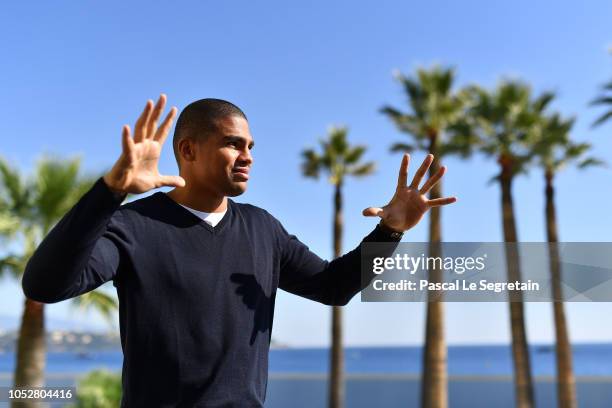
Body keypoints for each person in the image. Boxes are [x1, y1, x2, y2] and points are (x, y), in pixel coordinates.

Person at [22, 94, 457, 407]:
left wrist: (391, 230)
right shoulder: (133, 226)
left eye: (250, 146)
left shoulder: (262, 228)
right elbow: (44, 285)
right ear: (188, 149)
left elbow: (333, 287)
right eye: (233, 143)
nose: (246, 155)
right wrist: (109, 192)